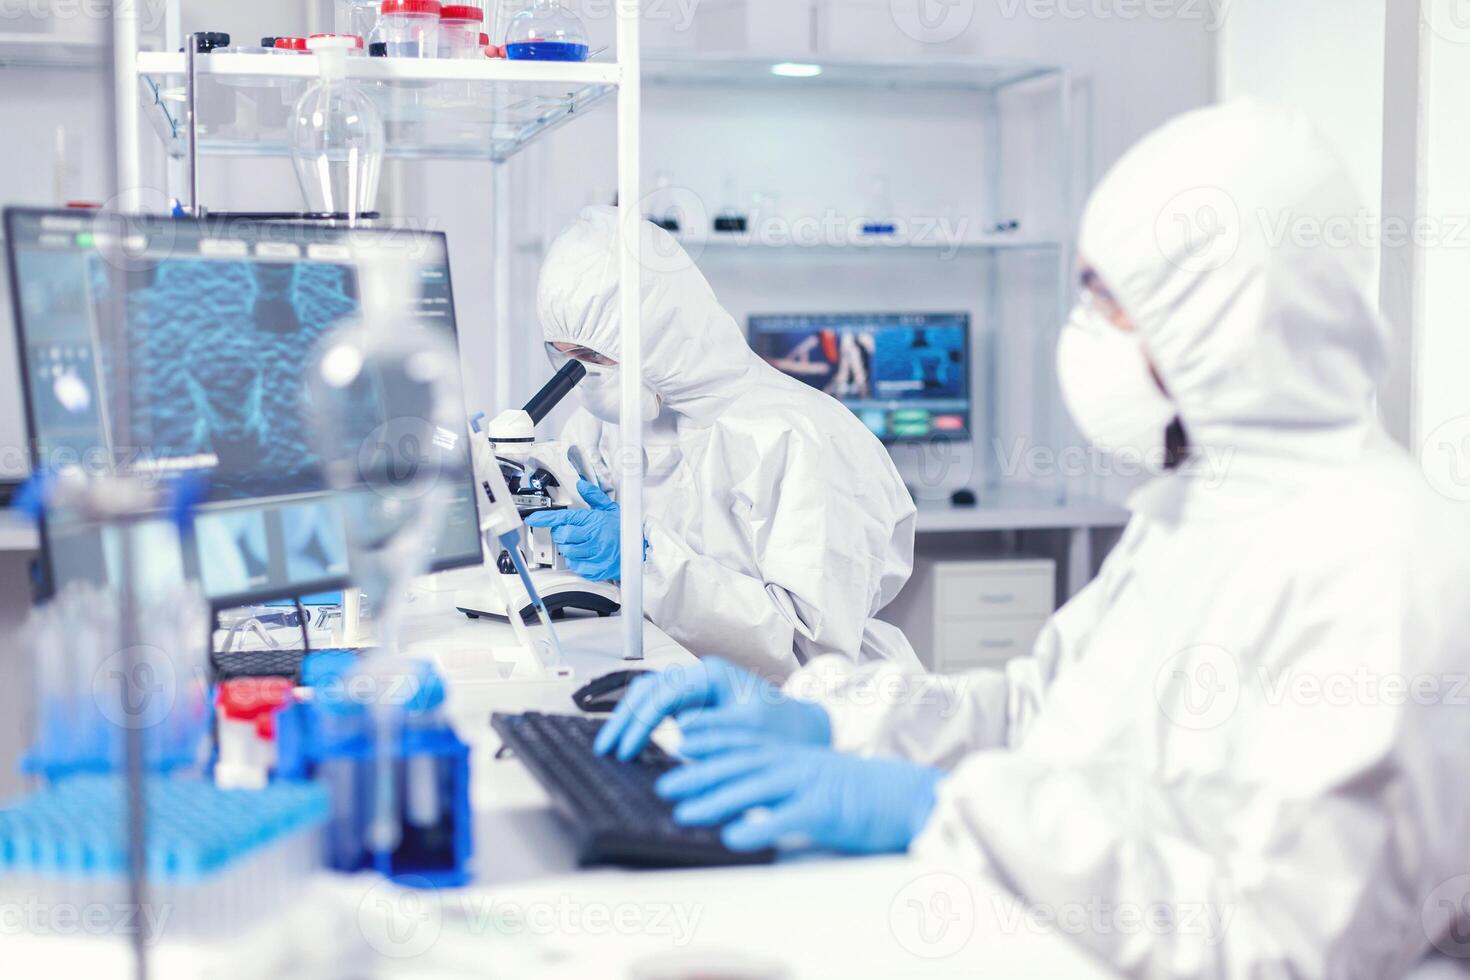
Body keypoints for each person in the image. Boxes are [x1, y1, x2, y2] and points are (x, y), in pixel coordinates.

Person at [591, 100, 1470, 977]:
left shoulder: (1385, 563)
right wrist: (831, 718)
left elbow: (1279, 945)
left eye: (1105, 303)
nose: (1079, 334)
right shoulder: (1194, 515)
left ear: (1220, 320)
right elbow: (1039, 714)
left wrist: (946, 811)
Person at [525, 206, 919, 679]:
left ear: (659, 336)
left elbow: (811, 650)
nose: (584, 379)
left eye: (592, 356)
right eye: (565, 357)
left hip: (800, 710)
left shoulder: (801, 439)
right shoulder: (604, 424)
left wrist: (649, 560)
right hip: (674, 680)